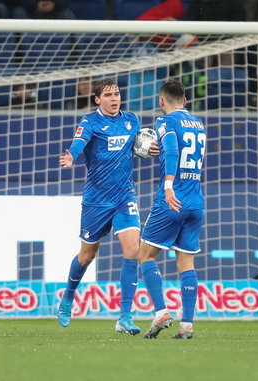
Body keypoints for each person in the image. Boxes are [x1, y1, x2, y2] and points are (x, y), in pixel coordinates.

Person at [57, 78, 157, 335]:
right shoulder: (90, 122)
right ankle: (68, 297)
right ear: (97, 100)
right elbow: (79, 143)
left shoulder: (132, 120)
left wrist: (149, 149)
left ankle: (125, 316)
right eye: (109, 95)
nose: (115, 99)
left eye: (117, 94)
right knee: (87, 255)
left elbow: (135, 148)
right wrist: (71, 156)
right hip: (96, 200)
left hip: (125, 197)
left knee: (133, 250)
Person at [139, 79, 205, 340]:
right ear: (185, 101)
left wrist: (168, 186)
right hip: (195, 201)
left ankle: (161, 311)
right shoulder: (197, 123)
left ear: (161, 100)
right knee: (186, 261)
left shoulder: (164, 121)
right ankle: (186, 325)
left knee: (145, 255)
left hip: (172, 199)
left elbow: (173, 150)